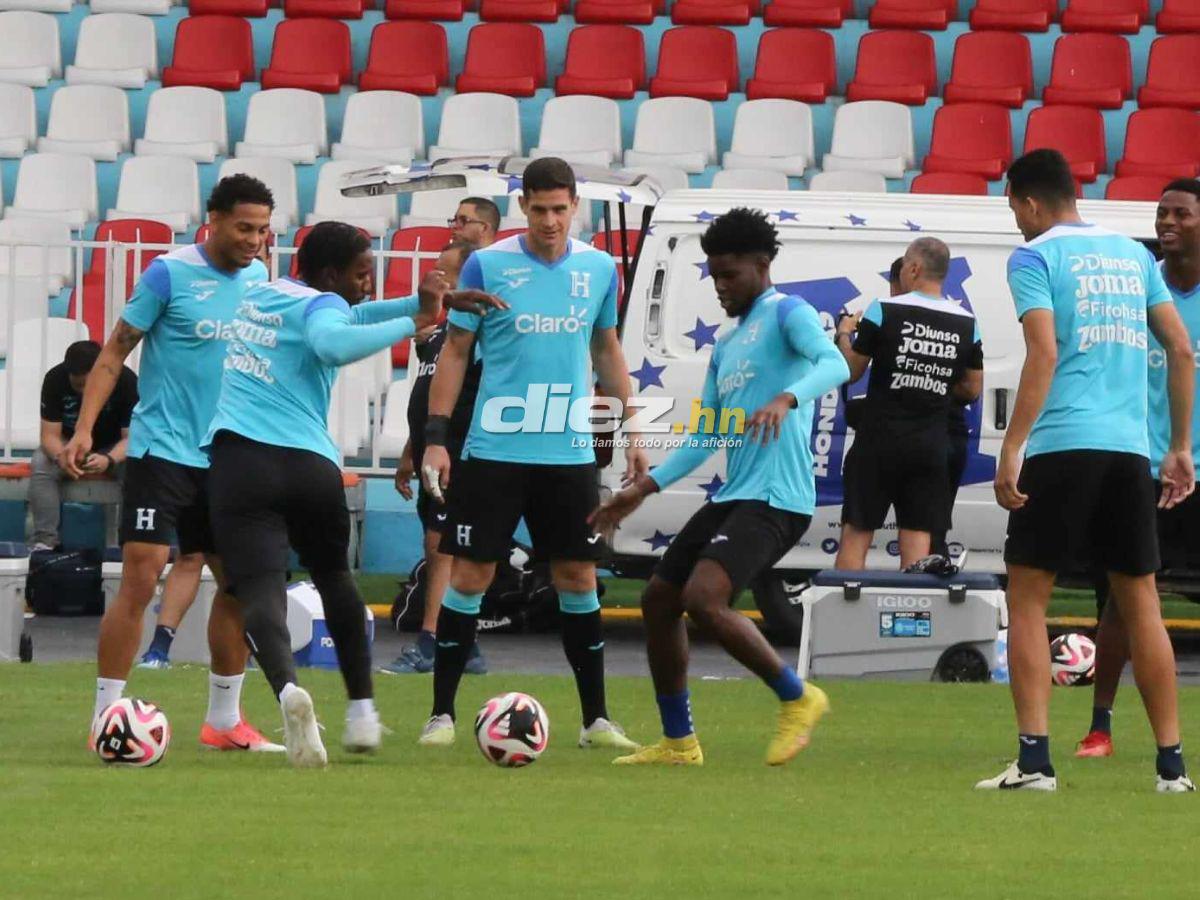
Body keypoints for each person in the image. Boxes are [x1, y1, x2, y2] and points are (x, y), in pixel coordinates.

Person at [202, 221, 499, 767]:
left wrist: (420, 303)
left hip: (240, 461)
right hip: (309, 465)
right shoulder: (320, 311)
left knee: (259, 587)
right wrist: (414, 320)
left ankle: (289, 691)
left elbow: (348, 316)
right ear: (331, 274)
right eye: (362, 274)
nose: (368, 284)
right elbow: (334, 341)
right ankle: (362, 710)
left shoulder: (261, 293)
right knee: (335, 576)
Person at [590, 208, 849, 766]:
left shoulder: (789, 314)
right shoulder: (728, 345)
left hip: (778, 497)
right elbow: (708, 433)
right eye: (714, 276)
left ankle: (798, 697)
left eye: (730, 274)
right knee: (659, 600)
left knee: (704, 598)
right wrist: (644, 487)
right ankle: (680, 742)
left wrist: (788, 398)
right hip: (735, 494)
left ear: (762, 265)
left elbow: (835, 365)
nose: (721, 286)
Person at [979, 148, 1195, 793]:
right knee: (1143, 605)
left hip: (1063, 445)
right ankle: (1172, 767)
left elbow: (1043, 350)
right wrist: (1178, 446)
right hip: (1131, 452)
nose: (1016, 220)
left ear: (1029, 200)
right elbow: (1181, 348)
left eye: (1014, 207)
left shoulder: (1036, 256)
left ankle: (1034, 762)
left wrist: (1013, 445)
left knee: (1027, 599)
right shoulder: (1135, 257)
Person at [418, 156, 646, 750]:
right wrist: (436, 439)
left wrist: (635, 431)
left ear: (575, 207)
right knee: (471, 575)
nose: (550, 220)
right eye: (539, 209)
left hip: (568, 453)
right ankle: (440, 714)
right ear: (524, 208)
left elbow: (607, 351)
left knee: (578, 576)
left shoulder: (598, 270)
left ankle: (595, 719)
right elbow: (456, 354)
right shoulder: (487, 264)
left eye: (560, 209)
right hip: (494, 449)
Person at [64, 174, 281, 752]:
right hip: (163, 452)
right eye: (244, 227)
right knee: (141, 573)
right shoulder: (168, 274)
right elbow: (114, 351)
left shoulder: (262, 279)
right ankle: (105, 717)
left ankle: (224, 721)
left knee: (234, 586)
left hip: (229, 458)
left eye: (262, 230)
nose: (254, 240)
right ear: (212, 219)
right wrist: (85, 429)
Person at [1075, 180, 1200, 762]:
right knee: (1122, 602)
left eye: (1181, 213)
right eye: (1162, 213)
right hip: (1140, 465)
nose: (1167, 222)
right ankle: (1100, 727)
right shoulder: (1137, 284)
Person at [833, 238, 984, 570]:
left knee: (856, 538)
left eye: (903, 266)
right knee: (917, 552)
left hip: (877, 443)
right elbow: (972, 388)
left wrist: (844, 334)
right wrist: (933, 383)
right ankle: (911, 616)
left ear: (914, 268)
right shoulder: (967, 323)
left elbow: (852, 369)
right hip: (929, 447)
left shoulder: (884, 309)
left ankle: (844, 617)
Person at [386, 241, 489, 676]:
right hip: (433, 451)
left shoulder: (478, 332)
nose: (437, 279)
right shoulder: (435, 338)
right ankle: (465, 647)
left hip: (463, 452)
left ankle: (431, 639)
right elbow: (426, 397)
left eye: (446, 273)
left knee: (440, 544)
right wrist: (412, 450)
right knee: (440, 544)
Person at [32, 340, 137, 552]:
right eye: (77, 385)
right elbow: (49, 435)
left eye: (87, 384)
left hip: (113, 448)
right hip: (70, 447)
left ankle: (129, 543)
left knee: (138, 467)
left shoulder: (126, 381)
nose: (82, 391)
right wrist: (62, 455)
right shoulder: (55, 379)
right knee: (41, 462)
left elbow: (133, 438)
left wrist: (109, 460)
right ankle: (45, 542)